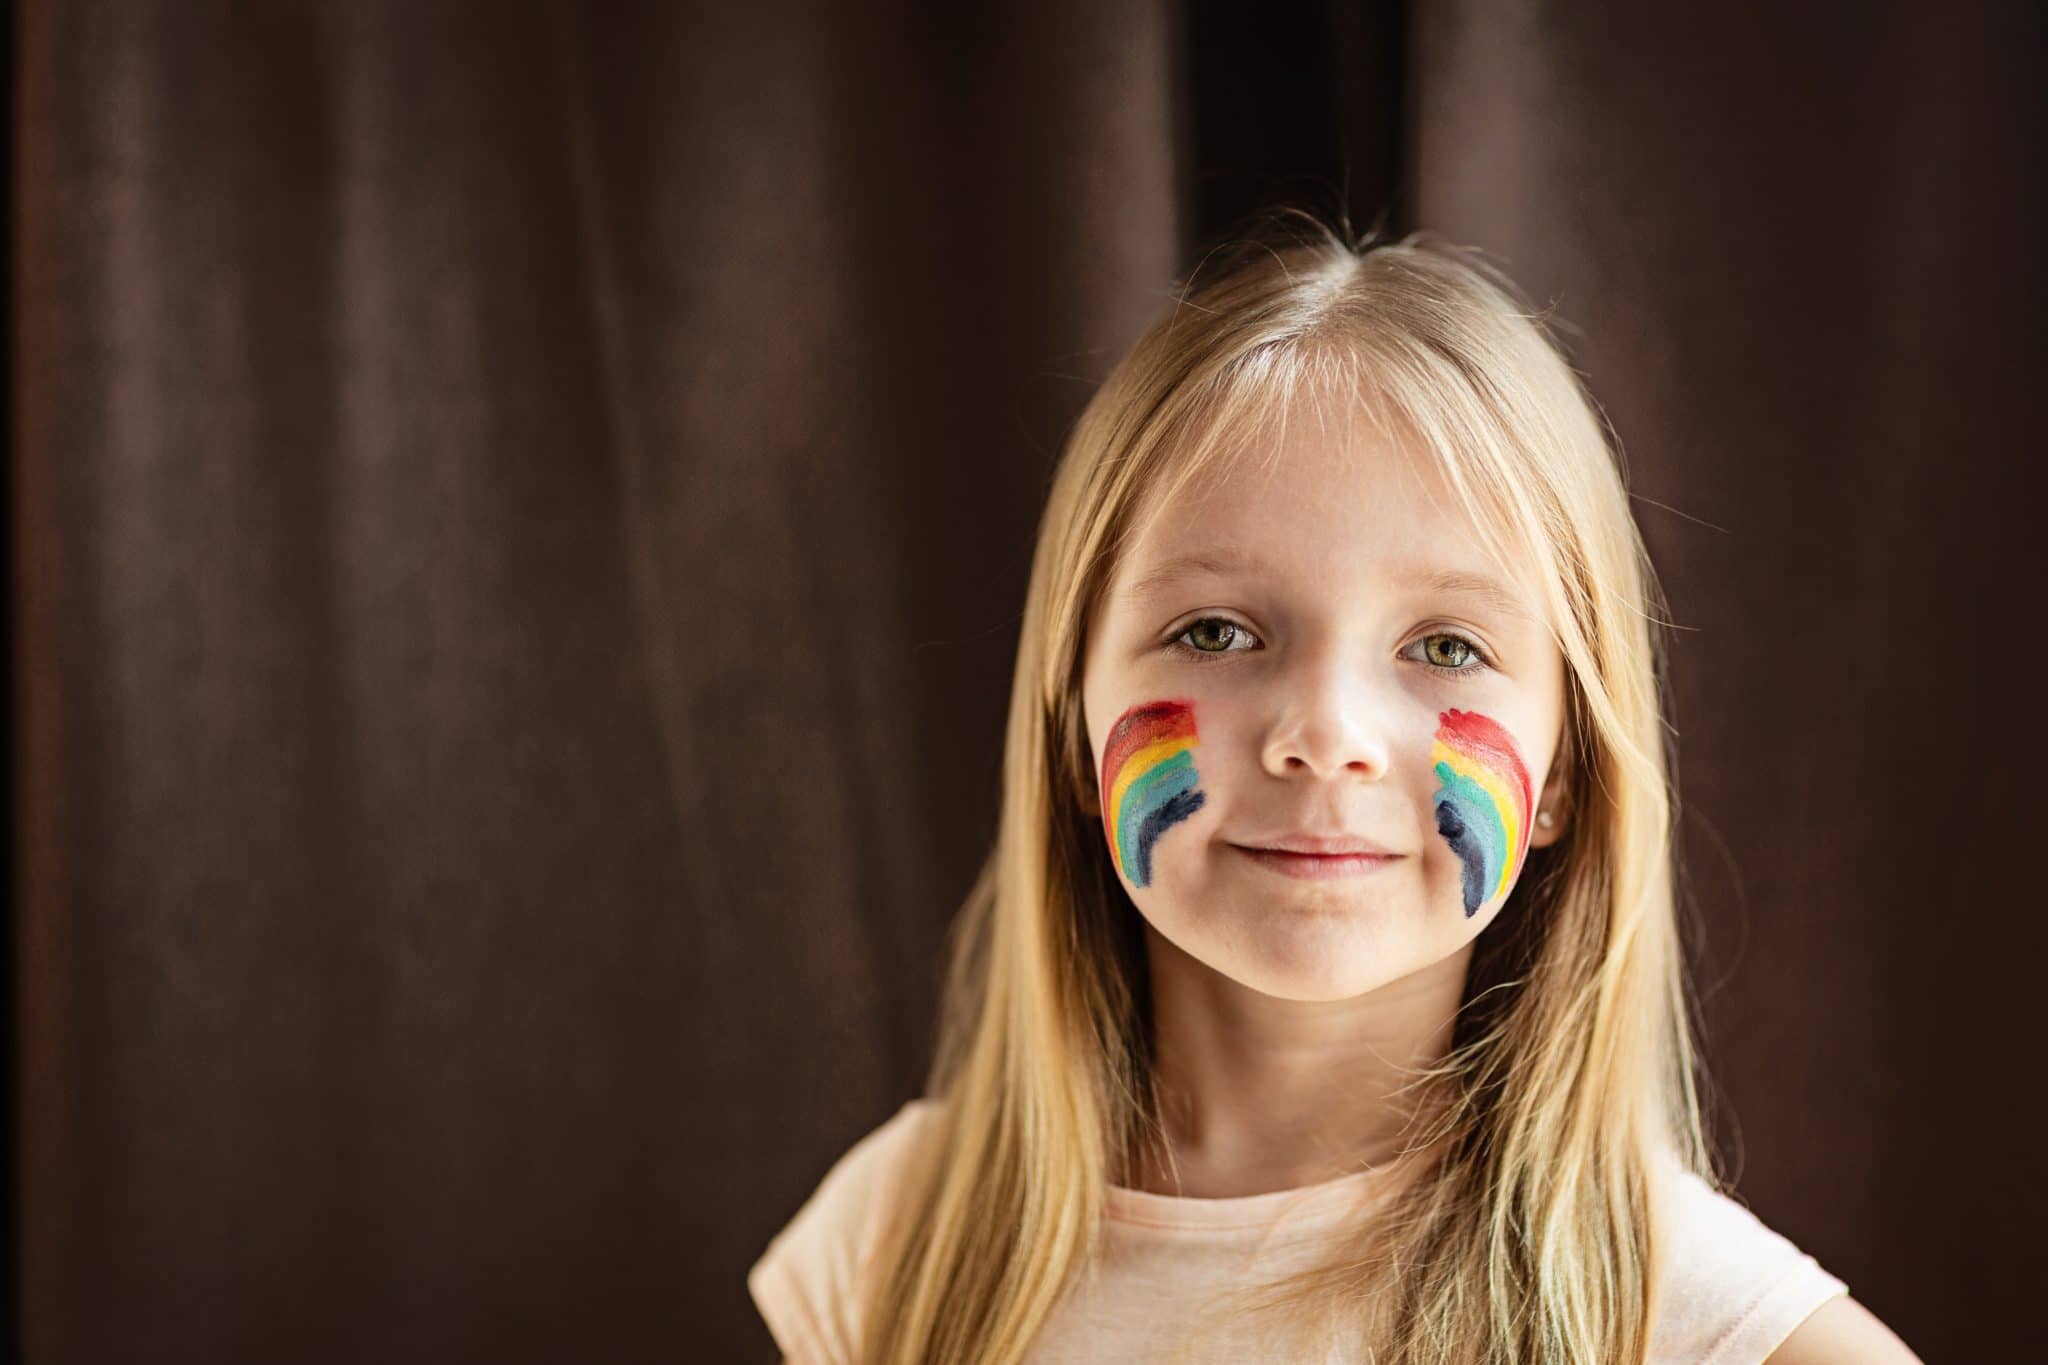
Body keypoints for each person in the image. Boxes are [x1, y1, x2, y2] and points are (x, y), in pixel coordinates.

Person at [747, 215, 1921, 1363]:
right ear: (1071, 725)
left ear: (1563, 769)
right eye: (1212, 630)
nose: (1323, 734)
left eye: (1447, 646)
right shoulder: (898, 1235)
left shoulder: (1690, 1321)